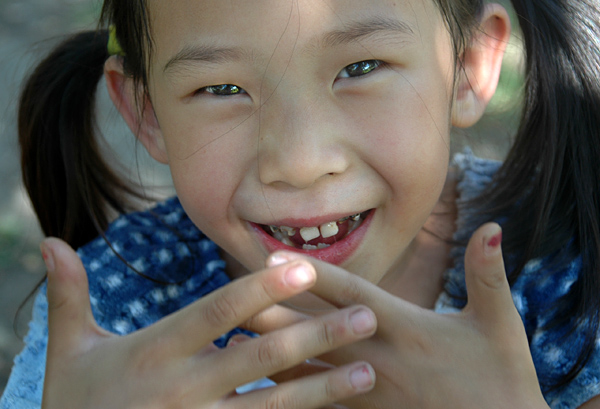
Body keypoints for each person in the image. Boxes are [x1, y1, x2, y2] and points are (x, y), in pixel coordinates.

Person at [2, 0, 599, 407]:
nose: (299, 160)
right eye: (221, 89)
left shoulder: (576, 277)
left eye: (361, 67)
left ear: (467, 68)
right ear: (148, 114)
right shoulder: (107, 321)